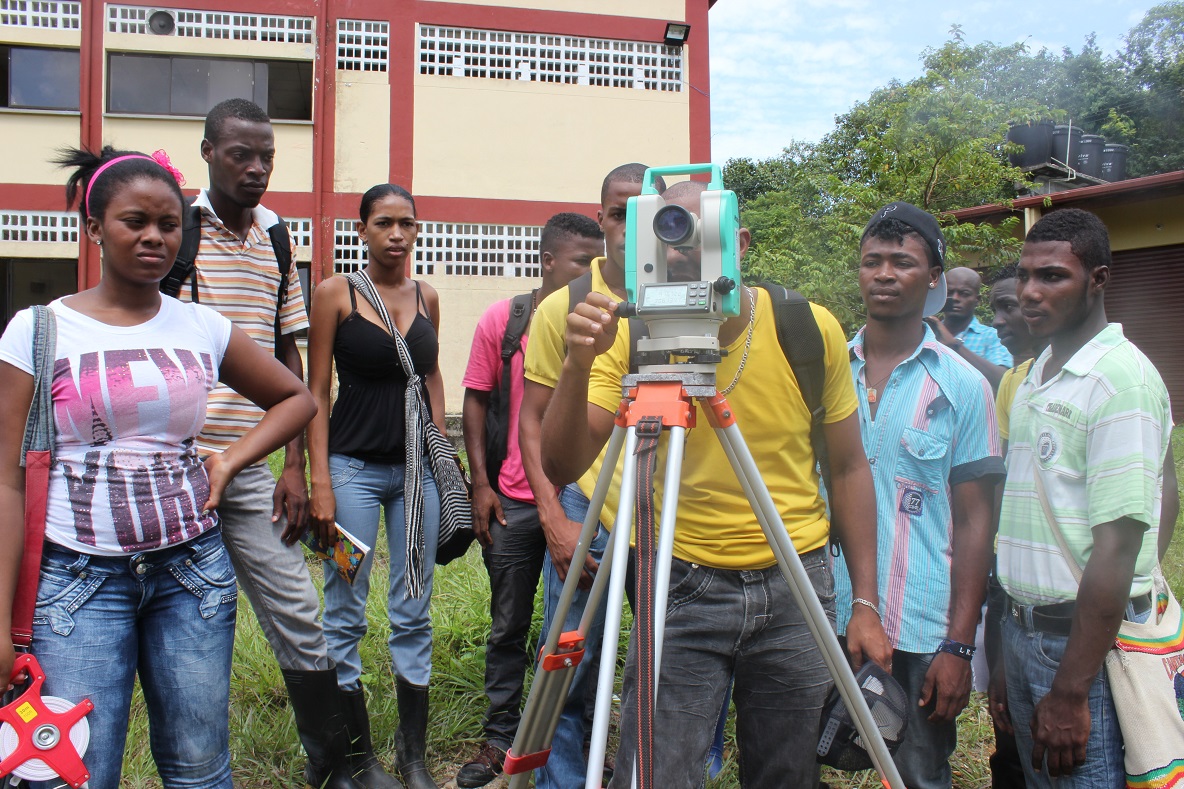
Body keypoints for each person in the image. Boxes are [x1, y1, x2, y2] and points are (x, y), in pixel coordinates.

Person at [540, 180, 891, 787]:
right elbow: (561, 463)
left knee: (787, 771)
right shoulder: (632, 334)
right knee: (656, 773)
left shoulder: (804, 327)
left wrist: (864, 604)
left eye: (699, 234)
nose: (680, 252)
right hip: (680, 578)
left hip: (796, 583)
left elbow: (850, 467)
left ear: (741, 243)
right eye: (666, 233)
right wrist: (577, 362)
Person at [0, 146, 316, 789]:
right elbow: (6, 477)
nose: (154, 237)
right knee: (76, 773)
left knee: (199, 770)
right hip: (75, 582)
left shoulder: (202, 325)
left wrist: (227, 459)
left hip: (190, 576)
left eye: (168, 224)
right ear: (94, 227)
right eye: (134, 221)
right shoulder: (38, 330)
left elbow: (297, 398)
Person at [182, 98, 374, 789]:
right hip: (176, 466)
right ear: (208, 152)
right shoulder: (178, 230)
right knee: (192, 620)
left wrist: (294, 462)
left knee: (298, 606)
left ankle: (335, 764)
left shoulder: (275, 236)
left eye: (266, 154)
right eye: (241, 154)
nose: (257, 167)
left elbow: (289, 356)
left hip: (254, 461)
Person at [996, 208, 1173, 788]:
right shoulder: (1039, 373)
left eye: (1052, 277)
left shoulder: (1120, 379)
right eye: (1024, 276)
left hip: (1078, 650)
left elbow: (1119, 549)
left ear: (1098, 280)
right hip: (1024, 632)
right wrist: (1005, 652)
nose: (1029, 292)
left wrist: (1071, 689)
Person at [835, 202, 1005, 789]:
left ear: (934, 279)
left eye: (902, 263)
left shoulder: (961, 385)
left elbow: (975, 521)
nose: (884, 274)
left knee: (918, 776)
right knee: (793, 759)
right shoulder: (828, 371)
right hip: (827, 612)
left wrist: (959, 646)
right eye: (872, 262)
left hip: (924, 623)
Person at [520, 163, 664, 789]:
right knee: (570, 674)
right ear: (600, 217)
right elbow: (532, 419)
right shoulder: (565, 308)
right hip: (591, 513)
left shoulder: (701, 304)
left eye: (646, 214)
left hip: (672, 524)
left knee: (663, 679)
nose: (629, 227)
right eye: (616, 213)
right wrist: (553, 515)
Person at [456, 212, 604, 788]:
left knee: (571, 633)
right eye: (579, 262)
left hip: (585, 500)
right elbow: (475, 402)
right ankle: (501, 737)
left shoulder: (606, 320)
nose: (591, 273)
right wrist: (481, 484)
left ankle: (573, 748)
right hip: (517, 499)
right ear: (546, 261)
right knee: (509, 623)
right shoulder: (508, 319)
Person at [307, 183, 444, 789]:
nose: (397, 234)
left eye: (407, 223)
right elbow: (315, 392)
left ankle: (413, 757)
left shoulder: (429, 296)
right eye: (384, 222)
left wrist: (441, 450)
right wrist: (319, 479)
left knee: (414, 609)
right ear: (361, 229)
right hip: (350, 473)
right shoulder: (336, 294)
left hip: (416, 477)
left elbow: (432, 375)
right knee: (344, 604)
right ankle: (357, 757)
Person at [930, 266, 1012, 390]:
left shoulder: (992, 336)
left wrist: (954, 346)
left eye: (964, 294)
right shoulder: (927, 332)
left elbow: (1003, 381)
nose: (956, 298)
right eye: (950, 293)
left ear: (977, 300)